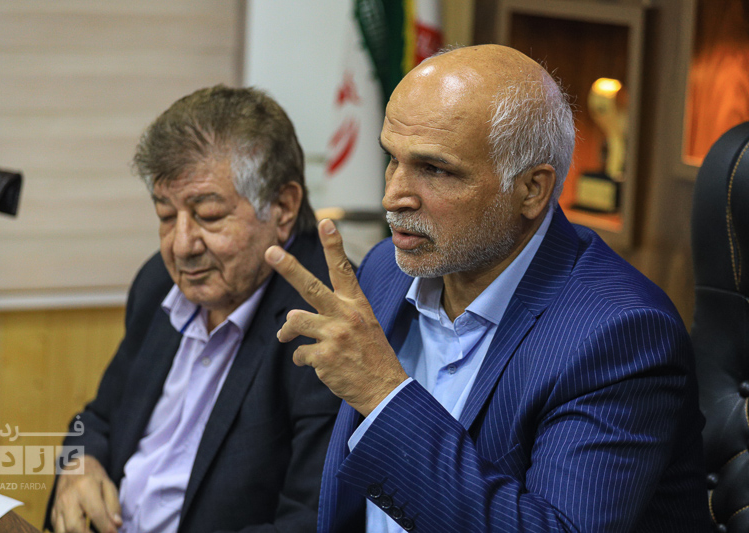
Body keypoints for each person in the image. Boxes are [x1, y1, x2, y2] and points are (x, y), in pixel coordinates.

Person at [265, 45, 710, 532]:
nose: (393, 195)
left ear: (532, 189)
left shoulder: (620, 335)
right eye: (392, 158)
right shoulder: (384, 270)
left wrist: (382, 394)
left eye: (435, 170)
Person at [46, 85, 341, 533]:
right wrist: (78, 463)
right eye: (166, 215)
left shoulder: (325, 324)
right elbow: (98, 418)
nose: (180, 246)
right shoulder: (158, 283)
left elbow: (309, 523)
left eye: (208, 215)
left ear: (282, 208)